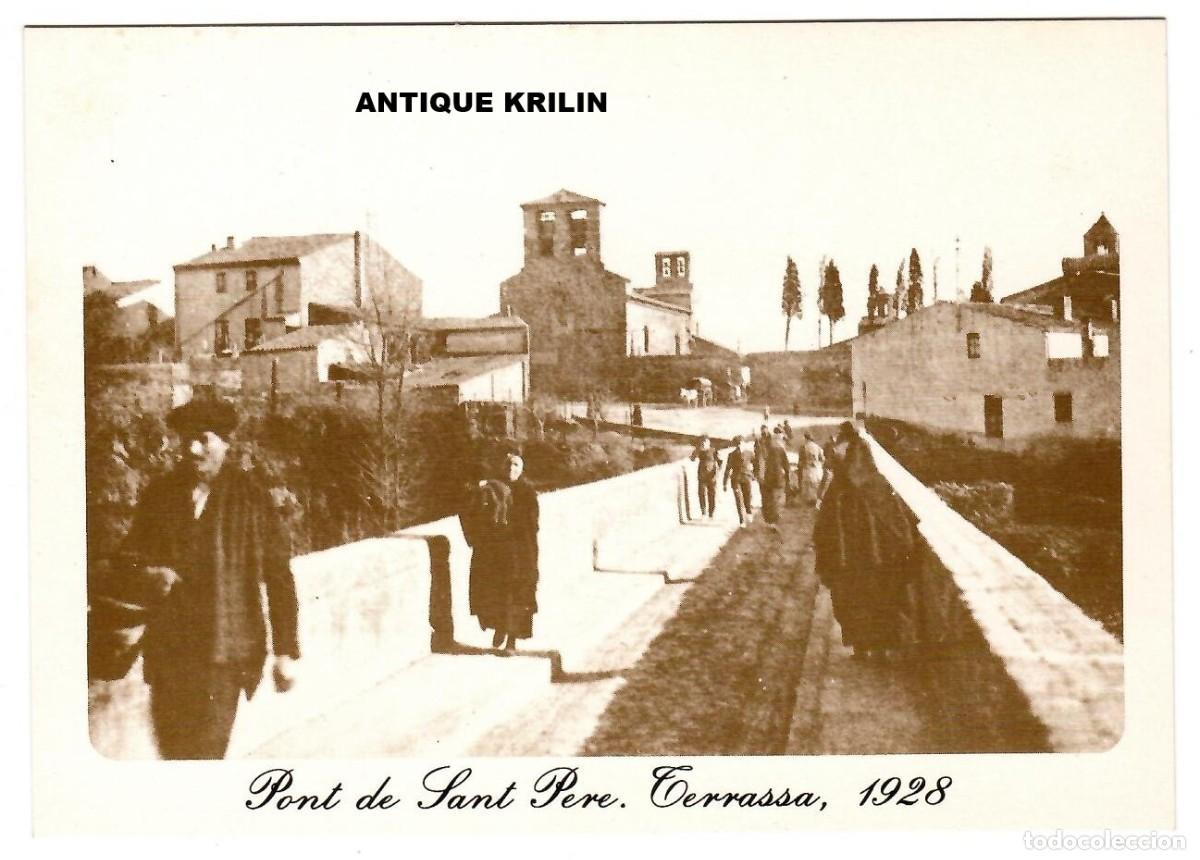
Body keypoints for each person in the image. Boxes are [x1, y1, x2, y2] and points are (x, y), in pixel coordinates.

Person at [118, 398, 300, 759]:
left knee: (206, 755)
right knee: (173, 755)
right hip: (169, 652)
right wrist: (149, 574)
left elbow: (279, 576)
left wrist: (285, 652)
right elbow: (129, 559)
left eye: (203, 439)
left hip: (225, 653)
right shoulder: (160, 494)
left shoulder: (251, 497)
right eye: (186, 439)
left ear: (225, 443)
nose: (192, 449)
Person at [813, 422, 918, 660]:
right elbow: (899, 525)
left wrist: (827, 554)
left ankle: (863, 648)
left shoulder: (840, 489)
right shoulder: (878, 486)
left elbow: (824, 528)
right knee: (878, 600)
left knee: (855, 601)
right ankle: (877, 648)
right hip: (877, 563)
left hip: (850, 563)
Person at [461, 453, 540, 654]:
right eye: (508, 464)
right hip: (496, 552)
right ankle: (500, 628)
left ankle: (511, 641)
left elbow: (532, 525)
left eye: (515, 465)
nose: (511, 469)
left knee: (516, 596)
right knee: (496, 593)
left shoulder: (527, 491)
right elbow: (472, 513)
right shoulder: (491, 489)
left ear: (521, 469)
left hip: (519, 552)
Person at [722, 435, 757, 526]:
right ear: (736, 444)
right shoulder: (732, 455)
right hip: (736, 479)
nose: (740, 445)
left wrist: (754, 474)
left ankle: (748, 512)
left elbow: (756, 463)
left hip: (746, 478)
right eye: (738, 443)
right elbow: (727, 469)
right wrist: (724, 483)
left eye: (741, 443)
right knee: (738, 499)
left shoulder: (749, 453)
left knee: (747, 497)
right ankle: (742, 520)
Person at [760, 426, 791, 527]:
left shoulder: (768, 445)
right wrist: (788, 476)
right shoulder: (781, 447)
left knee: (769, 498)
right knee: (777, 497)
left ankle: (770, 519)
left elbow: (762, 460)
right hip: (778, 476)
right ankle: (775, 518)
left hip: (768, 476)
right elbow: (786, 465)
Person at [689, 435, 722, 518]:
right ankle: (703, 512)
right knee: (701, 494)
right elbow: (692, 459)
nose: (704, 443)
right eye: (702, 442)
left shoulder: (713, 450)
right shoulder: (699, 450)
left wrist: (717, 472)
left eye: (705, 442)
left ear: (709, 443)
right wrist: (697, 450)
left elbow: (720, 462)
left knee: (712, 494)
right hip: (702, 475)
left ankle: (711, 513)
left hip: (712, 475)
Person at [798, 431, 826, 506]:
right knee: (816, 485)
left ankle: (809, 502)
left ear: (805, 438)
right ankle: (817, 502)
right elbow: (822, 459)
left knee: (808, 487)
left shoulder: (803, 447)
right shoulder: (818, 447)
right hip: (817, 469)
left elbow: (800, 460)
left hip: (807, 469)